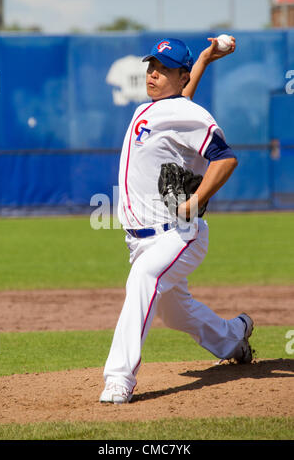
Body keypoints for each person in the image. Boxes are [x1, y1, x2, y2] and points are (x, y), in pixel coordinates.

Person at [100, 36, 253, 404]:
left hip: (180, 233)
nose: (153, 74)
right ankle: (234, 336)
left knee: (143, 278)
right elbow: (181, 103)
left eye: (164, 69)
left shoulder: (190, 114)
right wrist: (203, 59)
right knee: (175, 313)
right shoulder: (156, 108)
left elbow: (225, 158)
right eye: (152, 66)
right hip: (140, 240)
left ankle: (119, 378)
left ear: (179, 76)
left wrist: (198, 200)